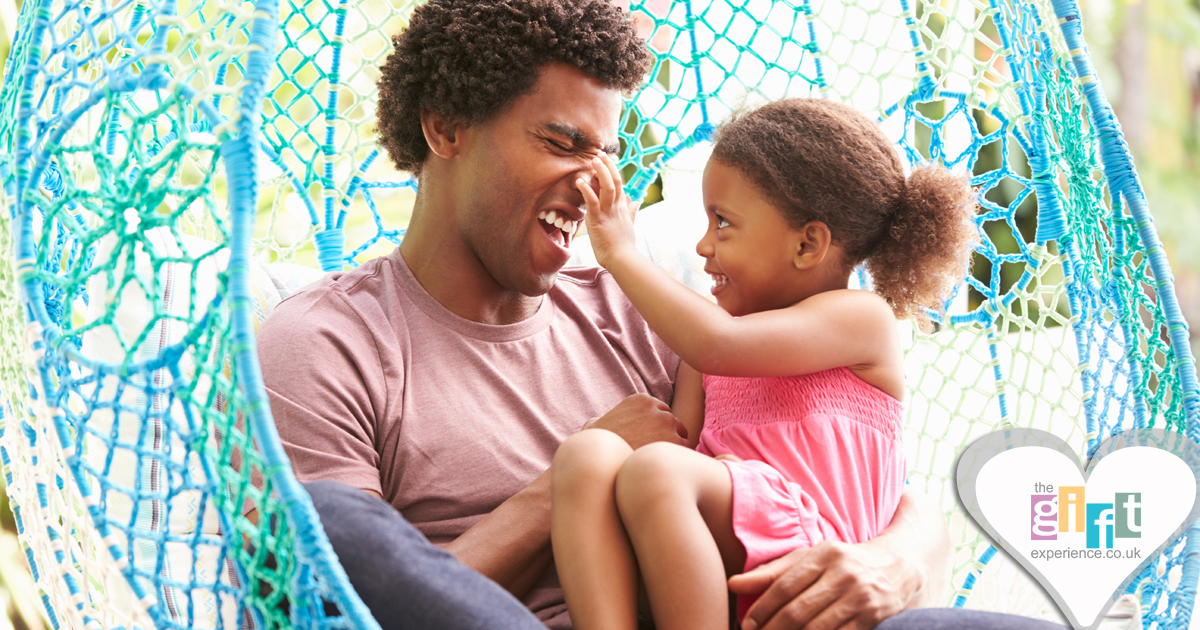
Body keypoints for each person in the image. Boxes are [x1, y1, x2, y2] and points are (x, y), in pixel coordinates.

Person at [256, 1, 1068, 629]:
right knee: (332, 527)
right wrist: (562, 485)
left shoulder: (650, 315)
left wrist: (896, 563)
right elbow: (347, 601)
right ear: (446, 127)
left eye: (606, 154)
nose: (594, 182)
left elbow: (865, 485)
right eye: (565, 141)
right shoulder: (329, 345)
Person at [551, 97, 976, 630]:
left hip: (820, 566)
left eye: (723, 223)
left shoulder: (860, 319)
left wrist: (620, 252)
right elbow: (680, 450)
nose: (702, 245)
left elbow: (719, 344)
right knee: (586, 455)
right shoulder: (707, 352)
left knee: (657, 472)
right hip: (723, 566)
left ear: (807, 243)